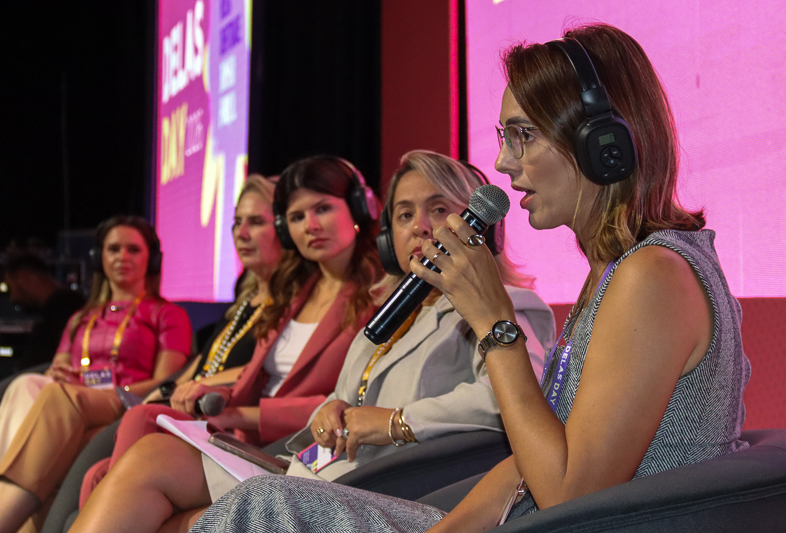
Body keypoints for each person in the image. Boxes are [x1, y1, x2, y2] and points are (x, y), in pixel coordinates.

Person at [179, 23, 749, 533]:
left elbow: (572, 497)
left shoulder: (652, 275)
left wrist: (494, 320)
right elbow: (534, 459)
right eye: (505, 138)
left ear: (604, 144)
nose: (503, 163)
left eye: (523, 135)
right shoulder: (617, 270)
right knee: (261, 502)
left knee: (263, 510)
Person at [68, 155, 383, 532]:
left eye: (323, 208)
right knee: (108, 471)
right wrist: (222, 395)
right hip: (241, 437)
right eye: (297, 217)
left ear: (359, 208)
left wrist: (237, 415)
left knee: (135, 444)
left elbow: (344, 402)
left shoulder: (376, 296)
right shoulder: (299, 292)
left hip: (293, 447)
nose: (310, 226)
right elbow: (256, 377)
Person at [281, 150, 554, 483]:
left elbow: (518, 398)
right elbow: (355, 394)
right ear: (387, 237)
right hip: (325, 476)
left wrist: (398, 421)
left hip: (403, 490)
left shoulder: (509, 306)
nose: (419, 228)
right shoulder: (394, 312)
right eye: (404, 215)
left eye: (438, 210)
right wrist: (330, 409)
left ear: (480, 229)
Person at [75, 173, 283, 506]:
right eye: (237, 222)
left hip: (223, 416)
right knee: (96, 473)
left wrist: (181, 389)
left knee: (138, 418)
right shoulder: (242, 301)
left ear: (284, 229)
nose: (241, 234)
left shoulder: (287, 305)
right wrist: (171, 389)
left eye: (256, 222)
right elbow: (197, 366)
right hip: (192, 405)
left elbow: (257, 371)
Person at [0, 216, 193, 533]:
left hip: (125, 401)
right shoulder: (81, 317)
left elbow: (165, 382)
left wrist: (99, 393)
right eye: (114, 249)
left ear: (151, 258)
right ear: (99, 258)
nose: (122, 257)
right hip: (72, 403)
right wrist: (58, 372)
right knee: (27, 385)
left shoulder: (168, 314)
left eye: (133, 249)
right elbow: (57, 369)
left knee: (53, 396)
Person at [1, 253, 85, 374]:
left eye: (10, 288)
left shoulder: (65, 306)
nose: (12, 298)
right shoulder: (58, 306)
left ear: (24, 277)